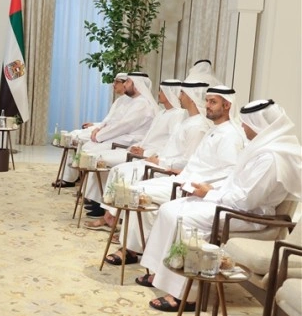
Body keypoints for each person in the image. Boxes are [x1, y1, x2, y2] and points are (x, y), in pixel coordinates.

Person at [138, 99, 301, 312]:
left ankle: (187, 295)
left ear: (258, 124)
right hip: (232, 204)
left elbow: (247, 201)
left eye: (246, 123)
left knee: (184, 219)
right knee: (169, 209)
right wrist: (208, 190)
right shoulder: (261, 148)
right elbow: (236, 185)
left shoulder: (271, 157)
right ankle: (161, 273)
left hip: (249, 215)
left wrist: (210, 194)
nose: (242, 126)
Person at [102, 85, 246, 266]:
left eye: (213, 102)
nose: (207, 105)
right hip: (182, 179)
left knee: (138, 193)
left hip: (194, 187)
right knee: (135, 189)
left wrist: (203, 187)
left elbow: (227, 172)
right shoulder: (215, 129)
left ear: (227, 105)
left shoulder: (230, 135)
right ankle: (134, 247)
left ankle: (131, 250)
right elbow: (198, 162)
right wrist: (183, 172)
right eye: (207, 101)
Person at [82, 79, 193, 229]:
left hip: (156, 158)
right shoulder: (162, 113)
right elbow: (149, 136)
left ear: (169, 93)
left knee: (123, 174)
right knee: (116, 170)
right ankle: (106, 212)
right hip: (144, 152)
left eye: (161, 91)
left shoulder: (178, 115)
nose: (158, 93)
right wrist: (139, 147)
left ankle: (111, 217)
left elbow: (170, 145)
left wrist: (147, 152)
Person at [61, 72, 159, 190]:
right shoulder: (132, 100)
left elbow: (123, 126)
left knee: (92, 150)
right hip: (120, 136)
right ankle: (86, 190)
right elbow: (113, 121)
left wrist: (100, 135)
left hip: (130, 140)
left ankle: (90, 192)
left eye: (127, 81)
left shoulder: (142, 104)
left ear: (137, 84)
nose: (124, 84)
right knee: (88, 146)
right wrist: (99, 130)